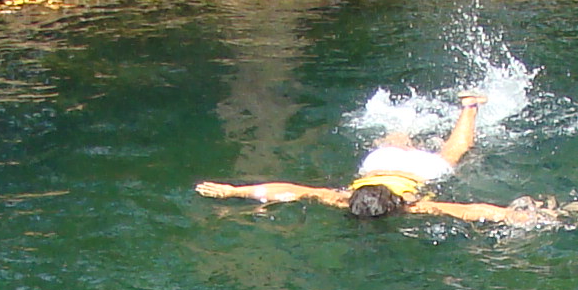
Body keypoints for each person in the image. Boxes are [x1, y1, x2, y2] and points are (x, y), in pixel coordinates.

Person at [195, 91, 551, 223]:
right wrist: (232, 190)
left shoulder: (402, 204)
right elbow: (471, 211)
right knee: (443, 150)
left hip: (397, 165)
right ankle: (468, 106)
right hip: (381, 164)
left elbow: (286, 190)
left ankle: (456, 112)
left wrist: (233, 191)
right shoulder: (391, 202)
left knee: (451, 153)